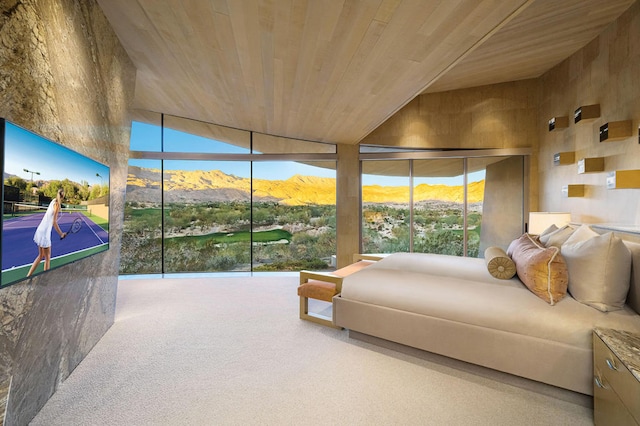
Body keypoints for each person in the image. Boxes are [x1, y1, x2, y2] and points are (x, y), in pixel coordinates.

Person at [27, 188, 67, 277]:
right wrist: (61, 234)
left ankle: (28, 275)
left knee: (41, 255)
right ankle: (46, 279)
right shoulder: (57, 205)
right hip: (45, 233)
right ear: (63, 197)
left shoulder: (53, 201)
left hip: (40, 229)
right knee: (47, 258)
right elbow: (54, 222)